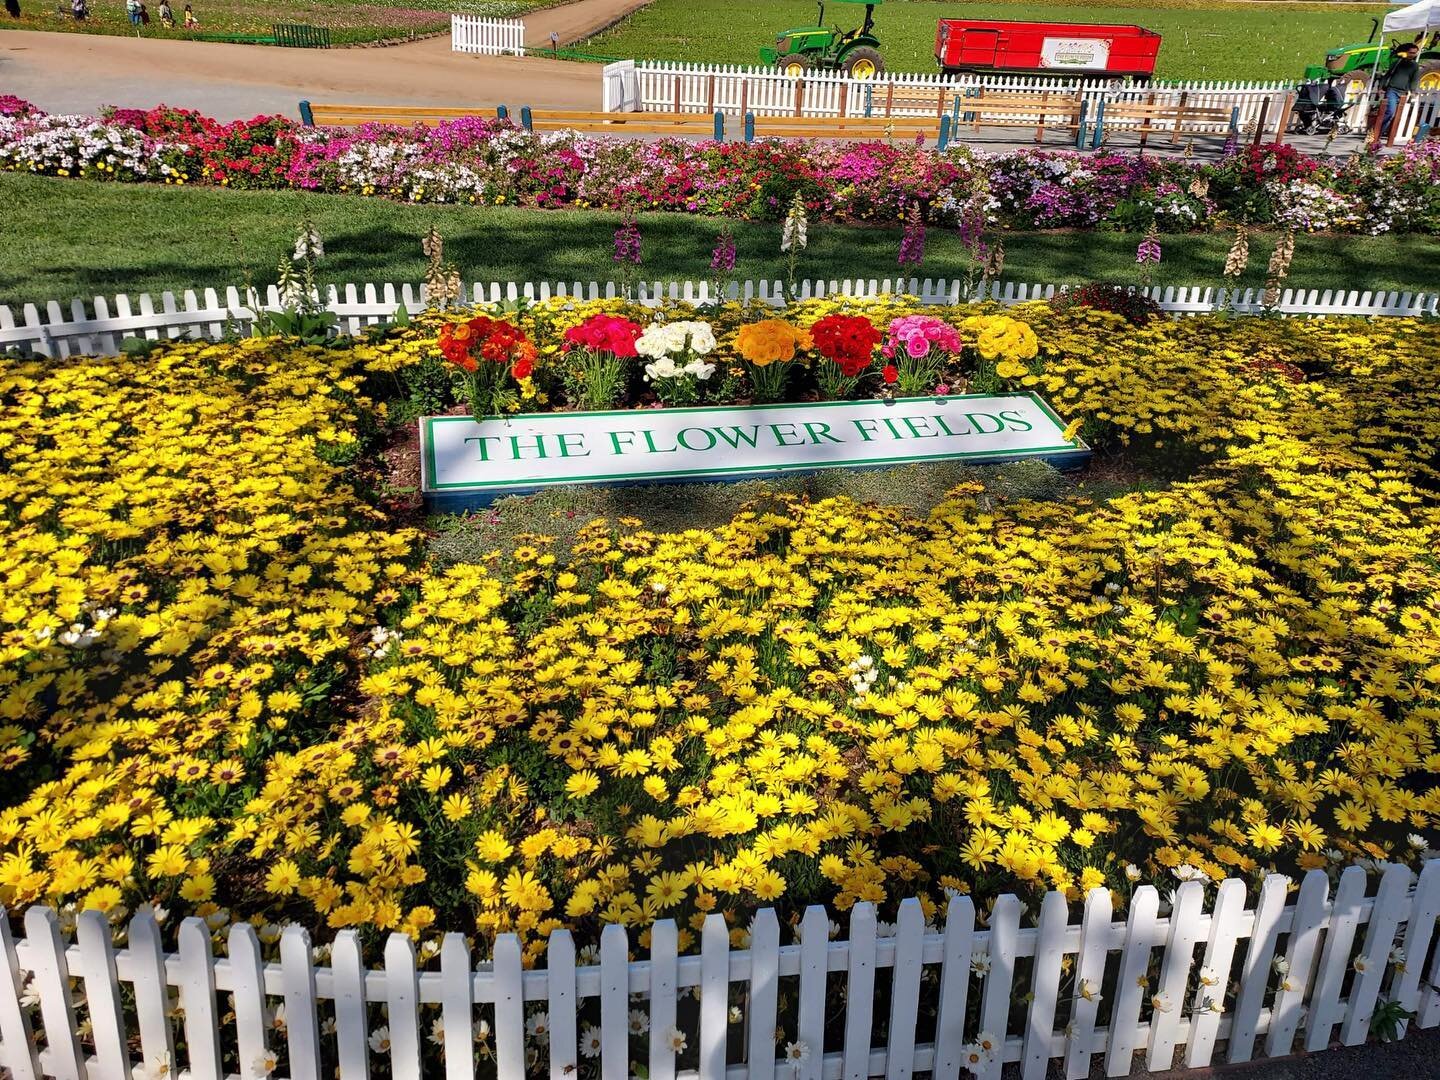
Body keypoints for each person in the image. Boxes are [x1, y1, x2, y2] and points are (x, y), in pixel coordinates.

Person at [1378, 41, 1421, 142]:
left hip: (1403, 93)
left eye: (1415, 53)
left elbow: (1414, 80)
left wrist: (1413, 91)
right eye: (1411, 52)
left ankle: (1383, 133)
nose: (1413, 55)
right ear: (1406, 52)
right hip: (1392, 90)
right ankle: (1377, 132)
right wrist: (1380, 87)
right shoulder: (1397, 62)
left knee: (1397, 116)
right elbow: (1388, 75)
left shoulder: (1414, 66)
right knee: (1390, 112)